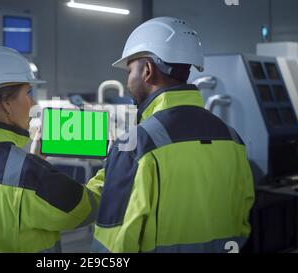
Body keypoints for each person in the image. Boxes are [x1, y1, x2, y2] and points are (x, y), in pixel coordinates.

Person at [89, 17, 255, 253]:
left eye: (129, 71)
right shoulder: (233, 139)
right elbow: (243, 223)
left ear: (147, 70)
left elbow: (112, 246)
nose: (127, 81)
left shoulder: (135, 146)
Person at [0, 46, 98, 253]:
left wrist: (34, 162)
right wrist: (114, 165)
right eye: (28, 93)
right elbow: (85, 209)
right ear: (6, 103)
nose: (33, 102)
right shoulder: (28, 173)